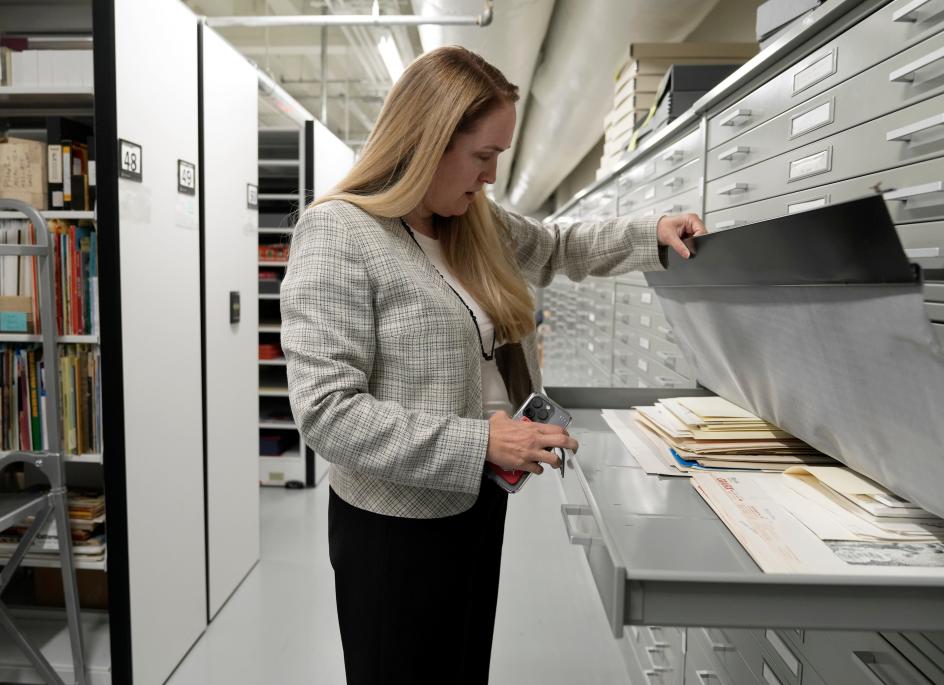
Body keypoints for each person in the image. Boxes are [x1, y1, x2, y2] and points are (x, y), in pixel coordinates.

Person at [281, 46, 707, 685]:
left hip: (478, 496)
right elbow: (327, 413)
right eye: (483, 157)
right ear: (426, 141)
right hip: (396, 526)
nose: (489, 179)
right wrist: (482, 439)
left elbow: (558, 245)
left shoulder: (468, 221)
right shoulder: (340, 233)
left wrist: (651, 234)